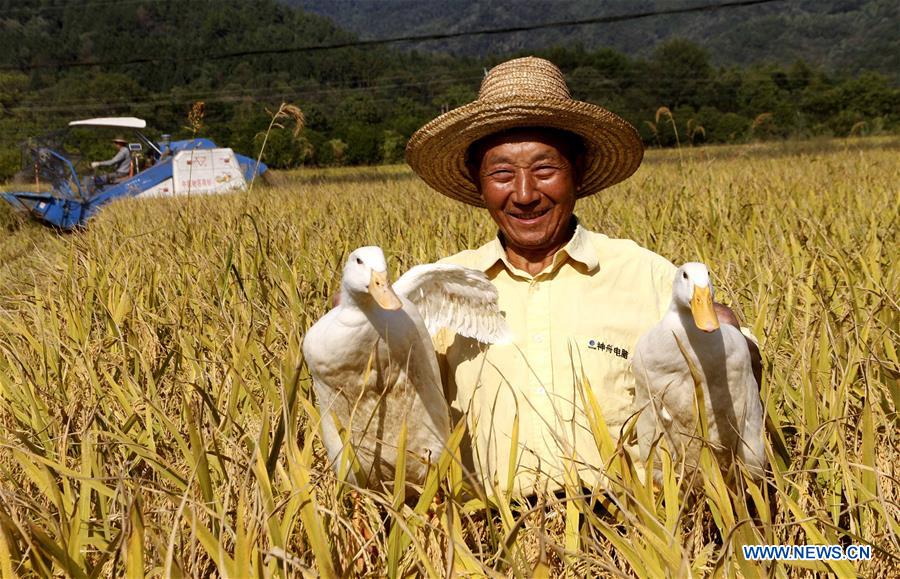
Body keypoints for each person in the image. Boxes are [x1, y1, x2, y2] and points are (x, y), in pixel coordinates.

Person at [405, 56, 761, 496]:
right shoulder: (438, 285)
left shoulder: (644, 275)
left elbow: (737, 383)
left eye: (545, 169)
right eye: (501, 174)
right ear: (480, 186)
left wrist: (731, 341)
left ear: (577, 174)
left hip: (625, 539)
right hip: (488, 540)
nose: (524, 194)